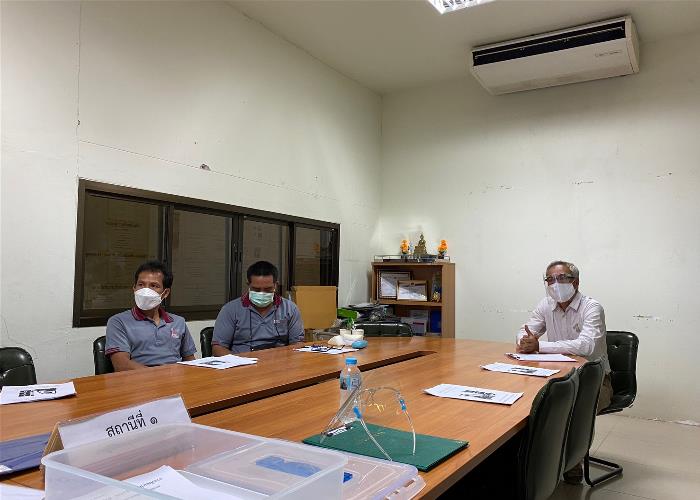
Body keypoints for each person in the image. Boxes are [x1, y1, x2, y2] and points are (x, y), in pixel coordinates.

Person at [516, 260, 613, 483]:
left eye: (561, 278)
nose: (555, 284)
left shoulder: (592, 307)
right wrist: (524, 340)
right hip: (558, 376)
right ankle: (532, 459)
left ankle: (571, 461)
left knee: (567, 407)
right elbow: (526, 330)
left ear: (575, 282)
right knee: (529, 401)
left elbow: (586, 346)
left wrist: (540, 346)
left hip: (595, 381)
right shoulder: (546, 305)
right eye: (550, 279)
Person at [105, 260, 196, 371]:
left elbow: (190, 360)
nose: (146, 291)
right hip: (139, 379)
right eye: (141, 285)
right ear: (134, 288)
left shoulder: (178, 322)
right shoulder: (118, 322)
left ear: (165, 293)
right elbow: (122, 365)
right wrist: (160, 377)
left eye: (154, 286)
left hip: (175, 379)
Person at [212, 261, 304, 354]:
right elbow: (218, 348)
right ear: (248, 285)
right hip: (242, 360)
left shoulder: (290, 309)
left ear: (275, 285)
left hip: (279, 360)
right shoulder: (230, 310)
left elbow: (297, 344)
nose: (262, 293)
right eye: (256, 289)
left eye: (267, 289)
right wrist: (237, 361)